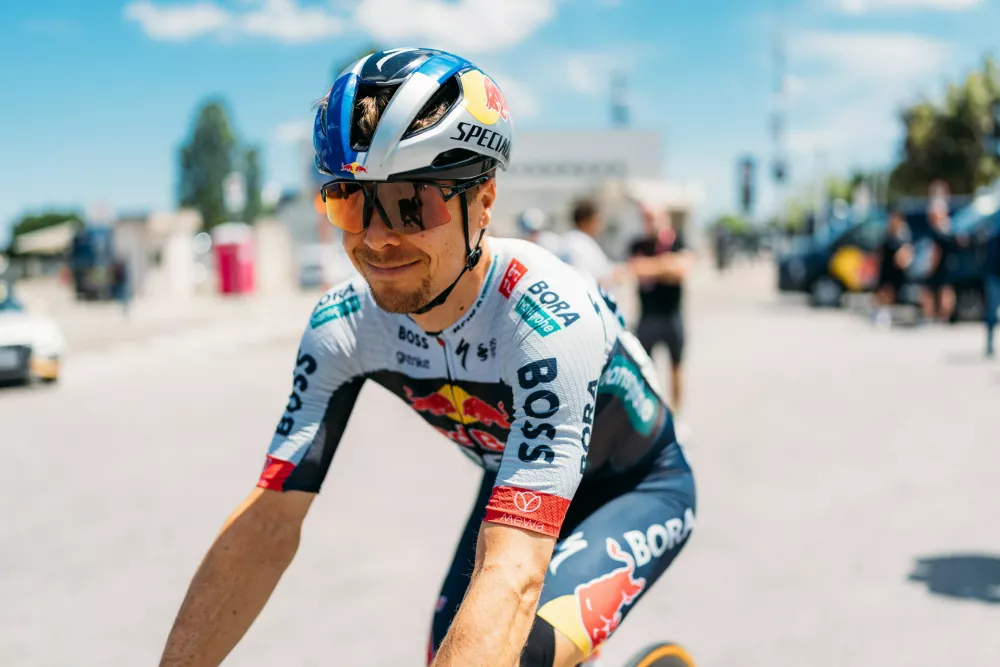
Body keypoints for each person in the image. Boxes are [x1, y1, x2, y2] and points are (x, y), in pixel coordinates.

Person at [158, 48, 696, 667]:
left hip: (634, 487)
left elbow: (514, 573)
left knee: (515, 655)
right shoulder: (343, 327)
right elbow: (268, 525)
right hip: (513, 482)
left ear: (484, 200)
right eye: (351, 202)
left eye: (413, 203)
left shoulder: (547, 318)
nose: (378, 237)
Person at [627, 206, 693, 413]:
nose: (652, 223)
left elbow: (682, 270)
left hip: (671, 315)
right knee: (644, 370)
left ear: (665, 219)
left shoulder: (678, 240)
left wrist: (652, 267)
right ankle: (651, 415)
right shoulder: (637, 244)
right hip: (647, 317)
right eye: (647, 218)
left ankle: (676, 417)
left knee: (676, 367)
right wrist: (666, 265)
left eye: (655, 218)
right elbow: (636, 268)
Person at [561, 199, 622, 289]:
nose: (601, 225)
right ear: (587, 221)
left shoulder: (575, 240)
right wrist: (613, 278)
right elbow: (581, 281)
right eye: (597, 220)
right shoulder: (578, 245)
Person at [921, 200, 966, 324]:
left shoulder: (938, 231)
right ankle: (944, 317)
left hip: (941, 266)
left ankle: (932, 316)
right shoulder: (951, 228)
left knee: (935, 291)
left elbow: (936, 252)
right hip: (951, 265)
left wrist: (930, 267)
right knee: (946, 290)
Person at [872, 208, 913, 328]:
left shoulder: (903, 236)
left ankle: (887, 314)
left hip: (896, 270)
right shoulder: (887, 235)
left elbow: (906, 253)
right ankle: (882, 314)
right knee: (883, 292)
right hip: (886, 268)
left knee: (891, 292)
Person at [985, 221, 1000, 357]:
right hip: (995, 277)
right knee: (991, 312)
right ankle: (989, 342)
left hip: (993, 276)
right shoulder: (994, 233)